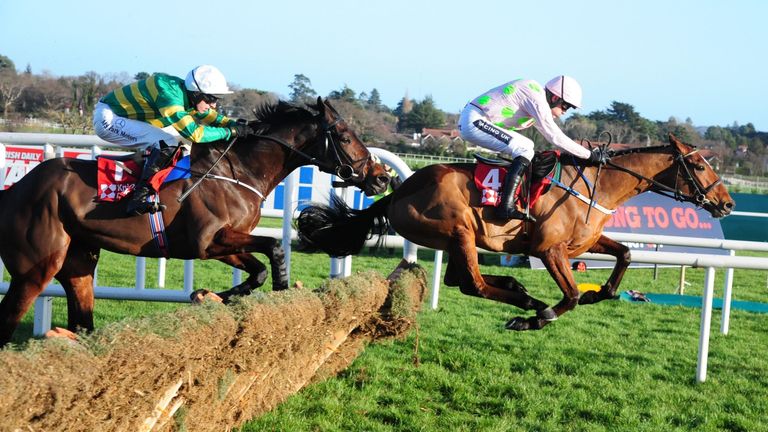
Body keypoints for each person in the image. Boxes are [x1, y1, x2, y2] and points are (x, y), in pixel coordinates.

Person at [93, 65, 250, 215]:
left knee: (182, 147)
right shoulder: (169, 95)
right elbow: (195, 134)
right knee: (169, 143)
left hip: (130, 119)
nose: (213, 105)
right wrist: (231, 131)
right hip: (110, 118)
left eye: (216, 99)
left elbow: (208, 115)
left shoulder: (186, 94)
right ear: (196, 93)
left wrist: (232, 123)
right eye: (210, 99)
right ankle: (139, 197)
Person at [458, 75, 608, 222]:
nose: (564, 112)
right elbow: (555, 136)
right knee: (524, 148)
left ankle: (508, 198)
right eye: (565, 106)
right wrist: (589, 155)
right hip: (474, 120)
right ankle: (505, 205)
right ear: (555, 98)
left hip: (477, 118)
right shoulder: (537, 99)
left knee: (527, 146)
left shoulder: (536, 97)